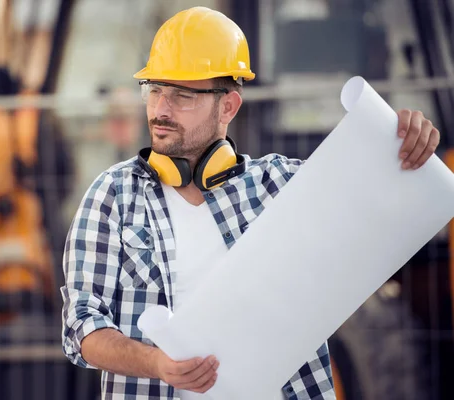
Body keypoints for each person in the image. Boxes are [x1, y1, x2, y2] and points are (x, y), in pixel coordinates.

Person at [60, 6, 441, 400]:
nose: (160, 110)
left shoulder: (278, 186)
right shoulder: (112, 197)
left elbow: (374, 187)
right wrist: (156, 363)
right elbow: (82, 327)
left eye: (181, 96)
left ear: (228, 106)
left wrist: (406, 137)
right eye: (154, 90)